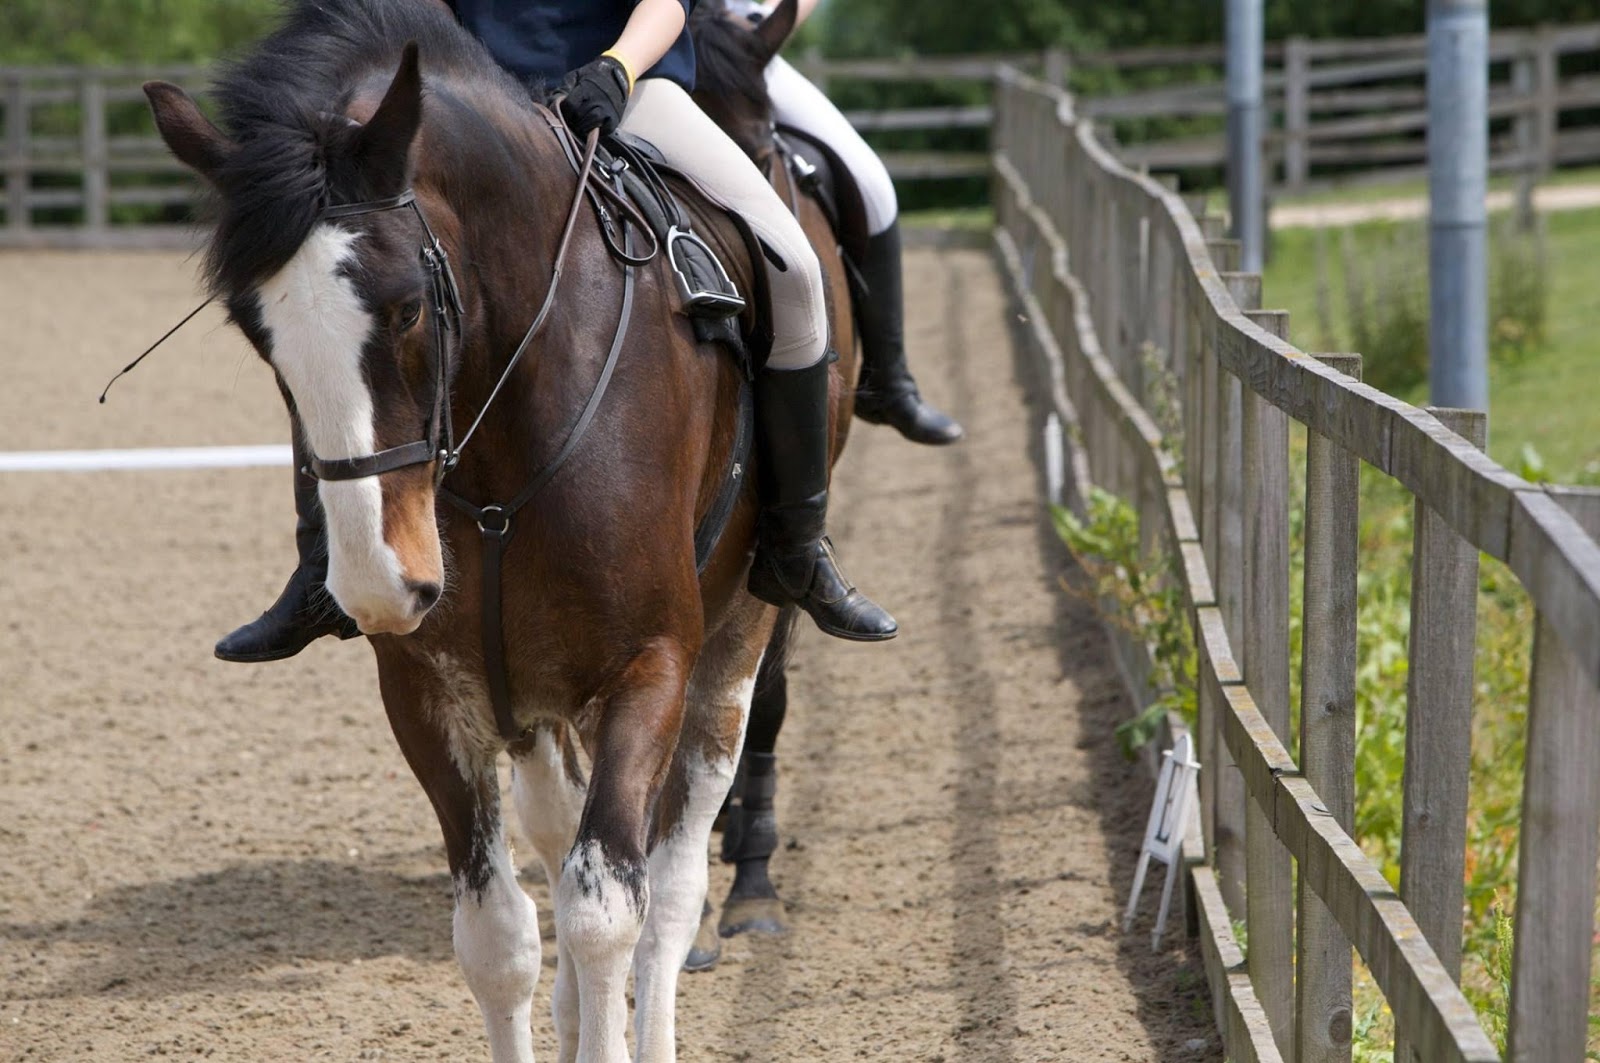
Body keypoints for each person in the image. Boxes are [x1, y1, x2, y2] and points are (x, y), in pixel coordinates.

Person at [214, 0, 897, 664]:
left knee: (796, 270)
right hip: (475, 106)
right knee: (340, 304)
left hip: (632, 93)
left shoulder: (629, 77)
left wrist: (616, 68)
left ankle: (796, 547)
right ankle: (318, 564)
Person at [729, 0, 963, 446]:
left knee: (870, 182)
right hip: (627, 45)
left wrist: (766, 26)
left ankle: (888, 381)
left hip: (742, 43)